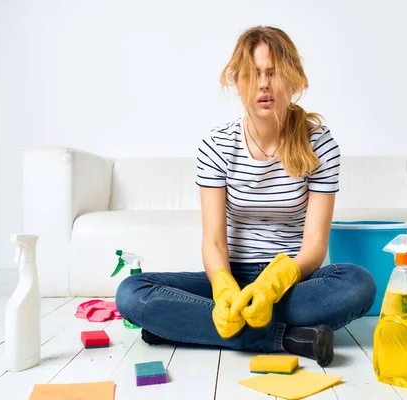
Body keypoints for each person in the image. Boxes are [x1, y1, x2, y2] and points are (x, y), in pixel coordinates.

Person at [115, 25, 376, 367]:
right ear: (237, 83)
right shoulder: (216, 145)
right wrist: (223, 286)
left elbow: (314, 246)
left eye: (274, 72)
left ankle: (183, 326)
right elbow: (214, 243)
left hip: (293, 283)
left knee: (359, 284)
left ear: (294, 81)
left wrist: (271, 285)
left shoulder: (320, 144)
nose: (263, 83)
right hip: (233, 280)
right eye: (253, 74)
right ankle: (288, 338)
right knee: (132, 293)